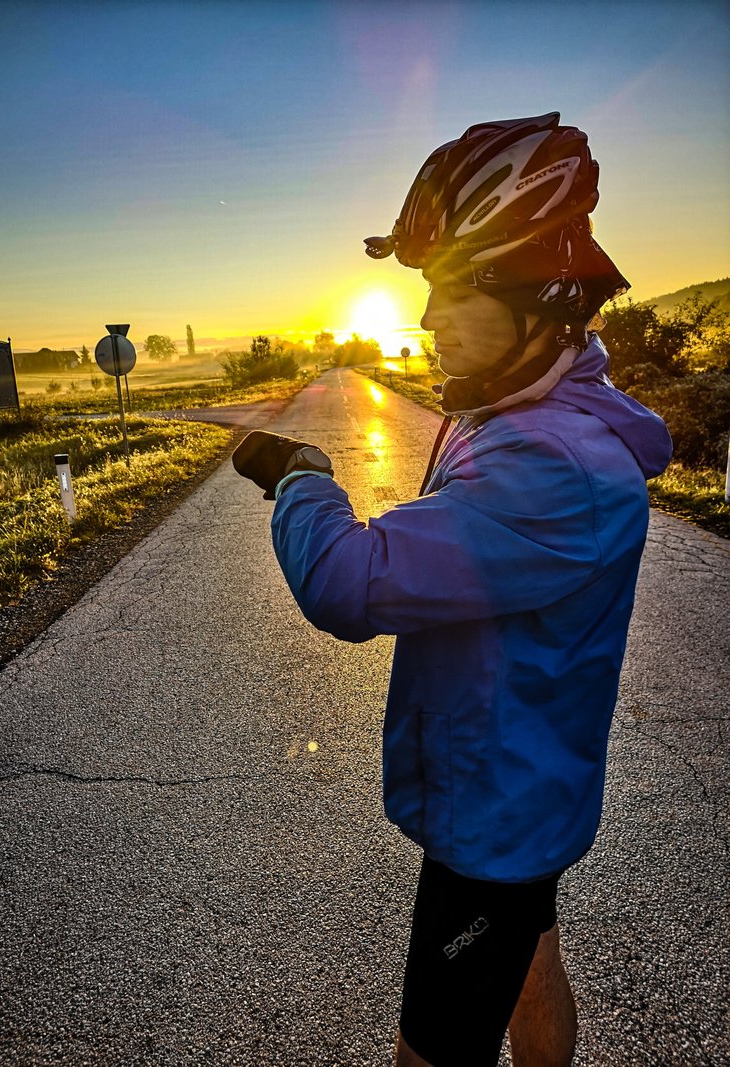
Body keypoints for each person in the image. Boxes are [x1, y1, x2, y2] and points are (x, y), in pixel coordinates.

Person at [232, 113, 672, 1067]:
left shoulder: (553, 464)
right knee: (529, 959)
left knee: (430, 1047)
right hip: (527, 788)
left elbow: (346, 583)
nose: (426, 321)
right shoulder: (536, 413)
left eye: (453, 291)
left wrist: (302, 474)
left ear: (540, 302)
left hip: (495, 815)